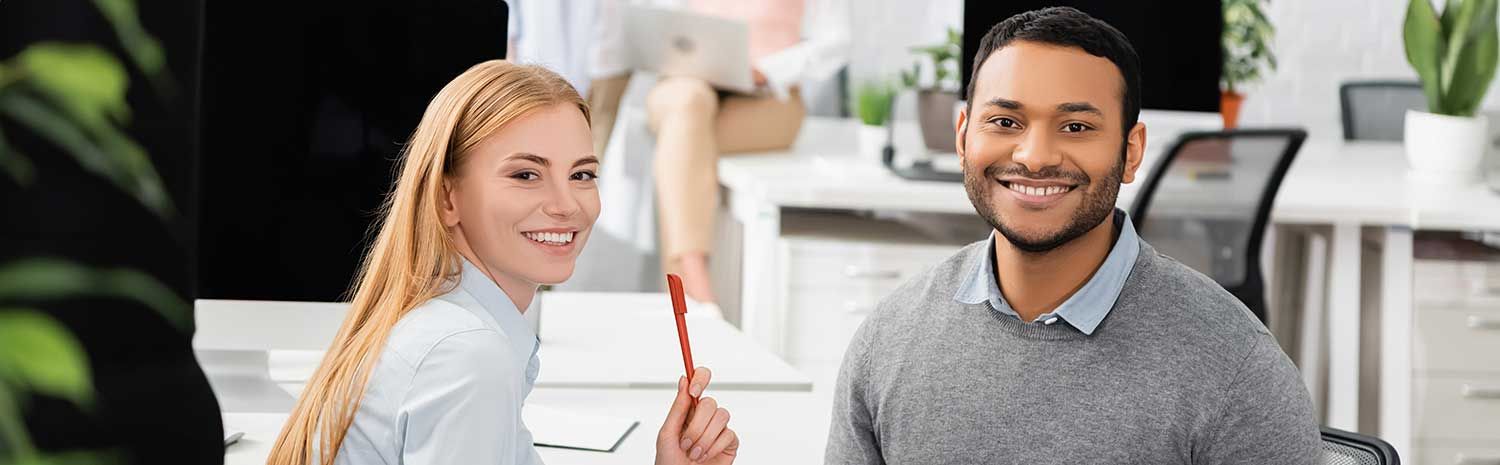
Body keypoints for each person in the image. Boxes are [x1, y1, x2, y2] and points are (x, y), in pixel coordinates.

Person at [825, 8, 1318, 464]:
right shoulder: (889, 340)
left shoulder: (1235, 367)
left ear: (1131, 151)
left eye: (1076, 126)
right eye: (1004, 121)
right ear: (962, 137)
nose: (1035, 156)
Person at [266, 61, 738, 465]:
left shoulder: (440, 325)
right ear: (447, 196)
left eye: (582, 174)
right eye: (526, 174)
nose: (566, 204)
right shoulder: (467, 356)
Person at [629, 0, 852, 304]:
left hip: (769, 98)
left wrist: (767, 70)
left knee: (683, 143)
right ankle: (695, 279)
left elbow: (837, 43)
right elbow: (651, 20)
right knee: (688, 104)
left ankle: (682, 292)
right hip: (684, 89)